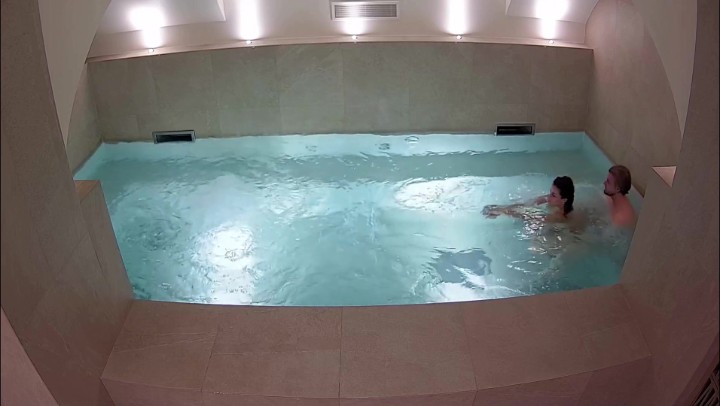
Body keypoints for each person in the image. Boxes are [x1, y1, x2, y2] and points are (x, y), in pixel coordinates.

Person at [483, 176, 576, 223]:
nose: (548, 197)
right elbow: (529, 204)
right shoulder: (557, 202)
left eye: (553, 195)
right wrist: (504, 208)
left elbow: (528, 215)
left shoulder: (558, 217)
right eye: (550, 192)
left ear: (564, 200)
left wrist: (502, 211)